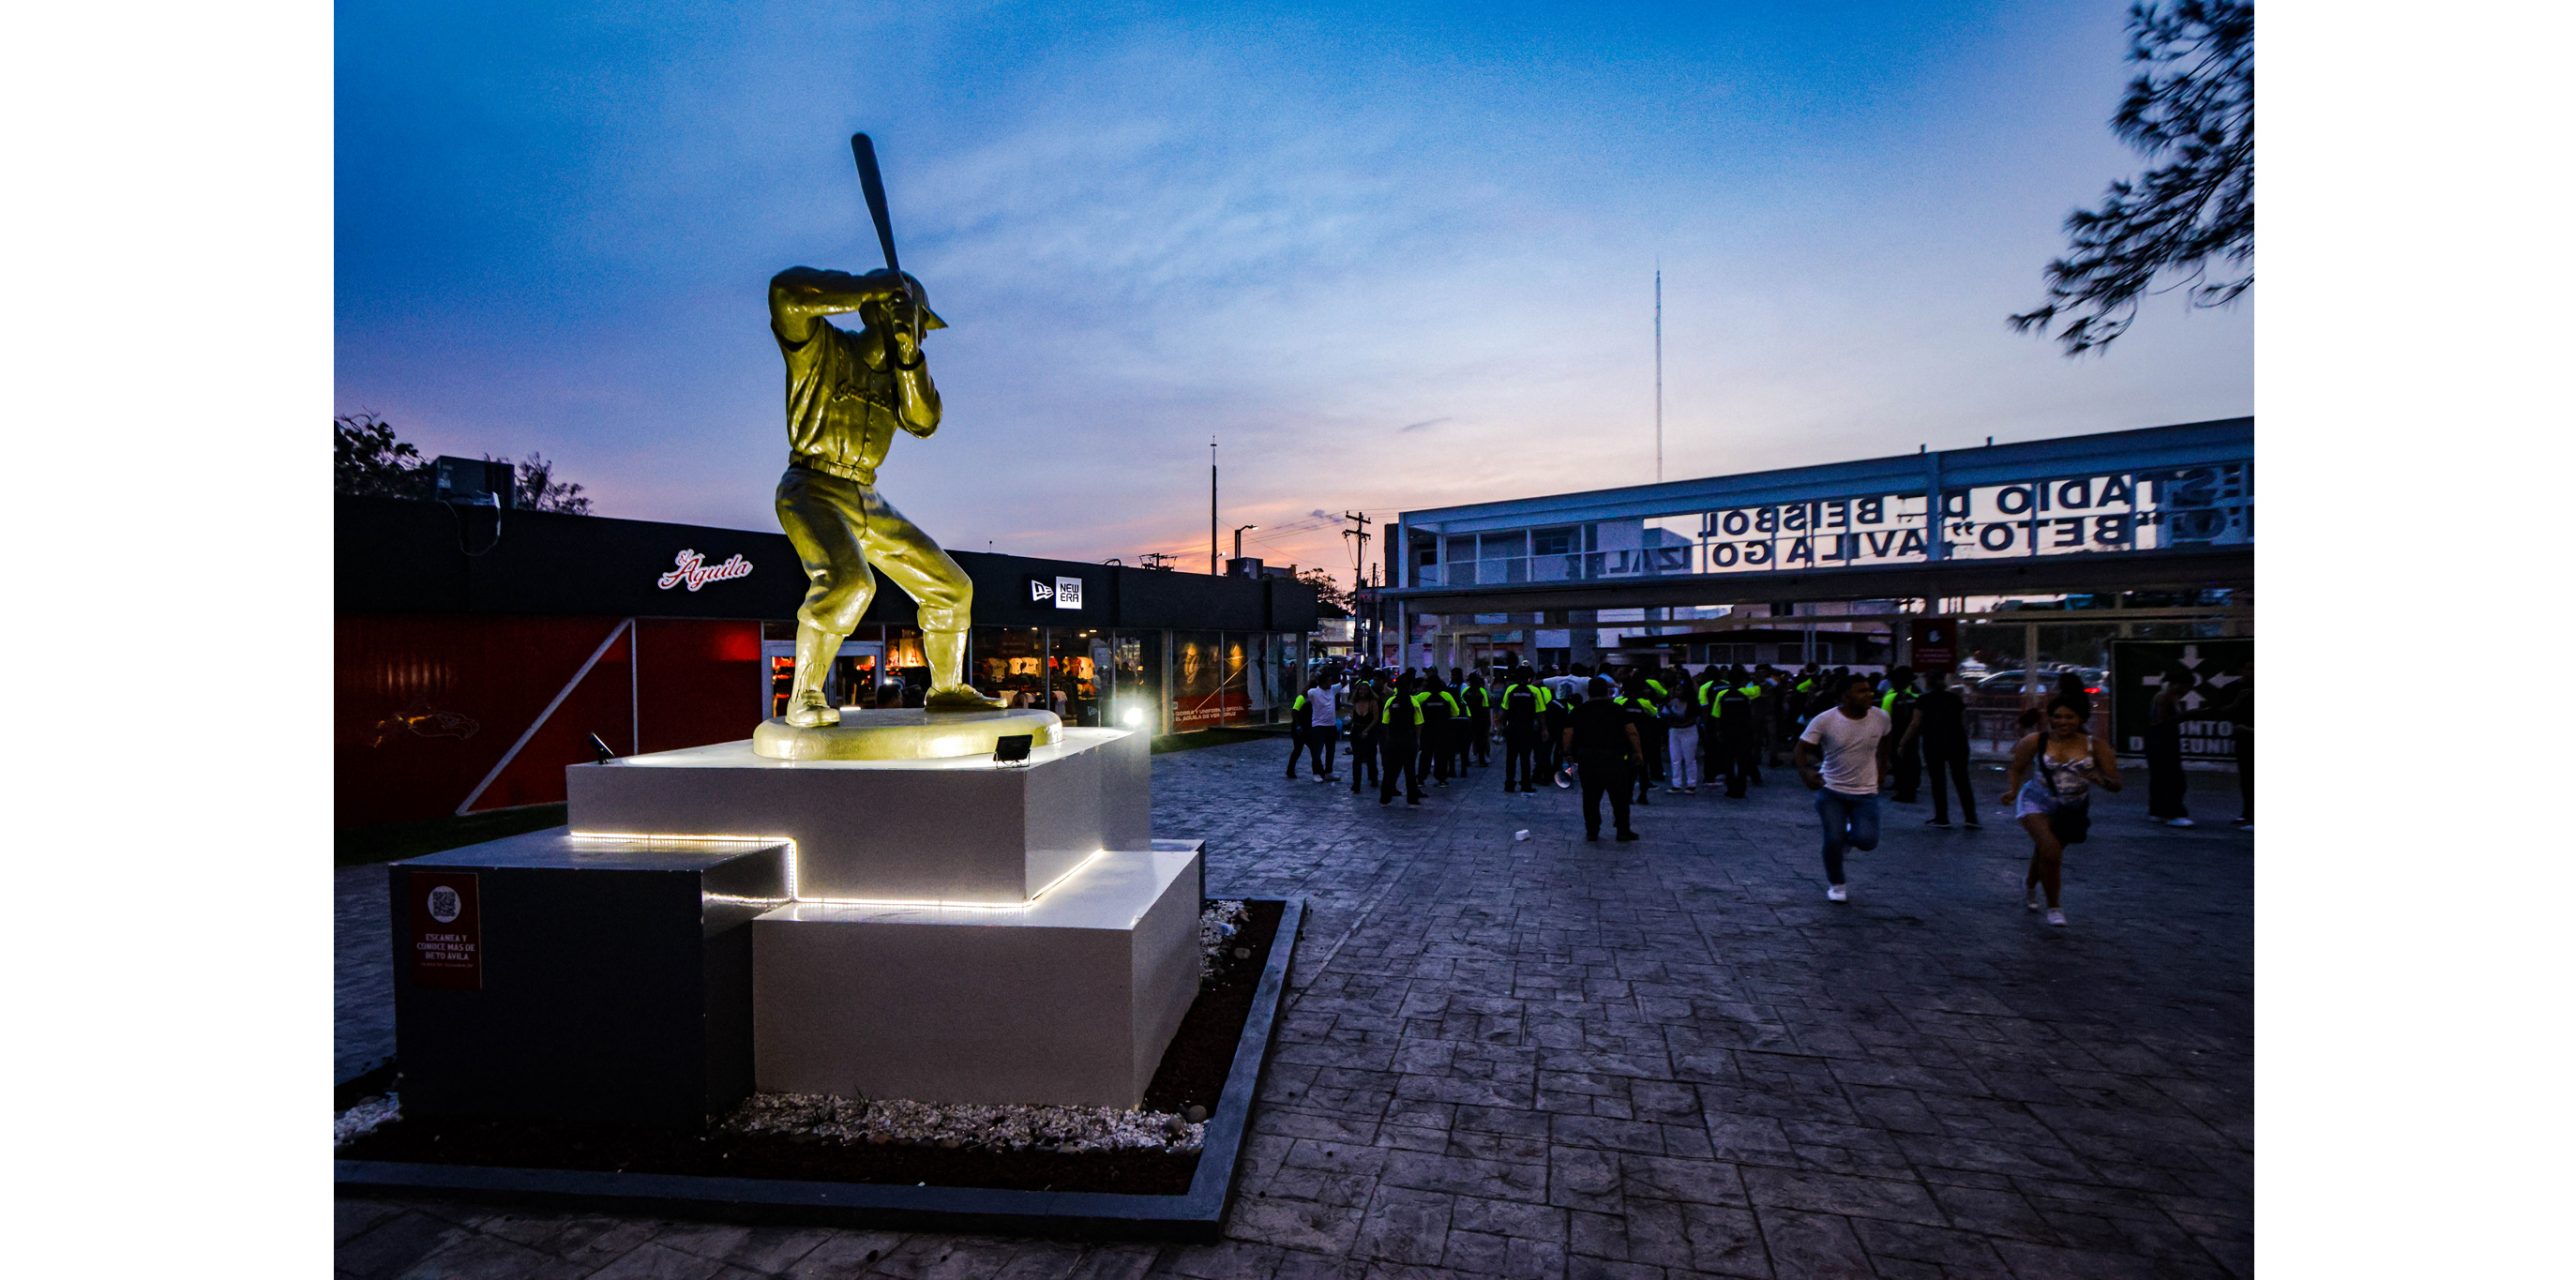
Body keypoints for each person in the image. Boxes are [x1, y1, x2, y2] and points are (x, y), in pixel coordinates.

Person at [765, 264, 1003, 723]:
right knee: (850, 583)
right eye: (916, 321)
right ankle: (805, 695)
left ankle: (948, 688)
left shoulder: (899, 376)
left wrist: (910, 356)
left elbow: (924, 421)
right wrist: (868, 290)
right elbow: (785, 294)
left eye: (920, 326)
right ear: (879, 311)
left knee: (953, 588)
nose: (920, 333)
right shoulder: (823, 347)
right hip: (811, 484)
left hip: (865, 495)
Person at [2000, 691, 2123, 926]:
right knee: (2051, 852)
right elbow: (2017, 768)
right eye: (2057, 716)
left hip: (2071, 808)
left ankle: (2028, 884)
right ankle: (2055, 907)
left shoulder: (2096, 746)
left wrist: (2100, 780)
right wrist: (2012, 791)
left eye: (2069, 717)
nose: (2062, 722)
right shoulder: (2036, 741)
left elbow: (2116, 784)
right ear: (2049, 718)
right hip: (2035, 801)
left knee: (2045, 851)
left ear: (2081, 719)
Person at [1794, 675, 1890, 902]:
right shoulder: (1825, 720)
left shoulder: (1881, 717)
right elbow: (1801, 748)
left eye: (1869, 690)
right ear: (1845, 696)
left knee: (1867, 840)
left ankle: (1849, 838)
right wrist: (1806, 772)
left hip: (1865, 792)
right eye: (1861, 691)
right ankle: (1837, 884)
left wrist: (1883, 769)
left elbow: (1886, 741)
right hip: (1831, 791)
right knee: (1832, 839)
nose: (1869, 695)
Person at [1563, 675, 1643, 841]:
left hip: (1588, 758)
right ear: (1607, 691)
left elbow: (1567, 733)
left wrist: (1567, 753)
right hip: (1614, 758)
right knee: (1619, 796)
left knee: (1590, 797)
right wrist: (1637, 752)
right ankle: (1622, 830)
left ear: (1588, 691)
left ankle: (1592, 830)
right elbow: (1632, 732)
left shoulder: (1579, 710)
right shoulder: (1617, 710)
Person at [1898, 671, 1980, 828]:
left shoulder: (1923, 700)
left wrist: (1902, 742)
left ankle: (1942, 817)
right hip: (1957, 742)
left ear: (1928, 683)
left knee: (1938, 780)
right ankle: (1971, 817)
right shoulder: (1955, 698)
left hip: (1934, 742)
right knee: (1962, 780)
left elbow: (1915, 723)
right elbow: (1964, 721)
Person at [2146, 670, 2196, 827]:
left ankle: (2157, 811)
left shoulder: (2168, 696)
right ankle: (2172, 813)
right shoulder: (2165, 697)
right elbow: (2160, 722)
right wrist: (2185, 717)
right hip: (2163, 741)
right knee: (2174, 778)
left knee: (2160, 778)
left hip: (2160, 740)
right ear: (2177, 684)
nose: (2187, 691)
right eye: (2187, 687)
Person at [1378, 674, 1427, 806]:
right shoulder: (1413, 702)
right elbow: (1419, 723)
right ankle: (1412, 799)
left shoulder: (1390, 701)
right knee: (1409, 771)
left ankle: (1385, 798)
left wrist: (1388, 740)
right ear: (1410, 686)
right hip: (1409, 740)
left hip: (1393, 740)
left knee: (1390, 771)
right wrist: (1417, 740)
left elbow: (1385, 722)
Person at [1499, 667, 1550, 792]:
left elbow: (1504, 709)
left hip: (1512, 728)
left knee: (1511, 758)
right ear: (1530, 678)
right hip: (1527, 729)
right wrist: (1544, 729)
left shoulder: (1510, 689)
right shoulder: (1534, 690)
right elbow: (1540, 712)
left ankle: (1509, 784)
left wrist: (1500, 725)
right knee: (1525, 757)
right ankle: (1525, 784)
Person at [1660, 675, 1701, 794]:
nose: (1677, 691)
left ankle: (1691, 784)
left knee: (1689, 758)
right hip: (1675, 730)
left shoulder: (1692, 703)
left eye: (1679, 689)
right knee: (1675, 758)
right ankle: (1676, 784)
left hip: (1687, 730)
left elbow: (1693, 718)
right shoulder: (1672, 701)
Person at [1347, 677, 1381, 795]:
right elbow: (1352, 716)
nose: (1362, 692)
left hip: (1370, 730)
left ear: (1369, 691)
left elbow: (1376, 718)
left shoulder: (1373, 702)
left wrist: (1367, 730)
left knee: (1371, 756)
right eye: (1360, 690)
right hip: (1356, 730)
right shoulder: (1355, 702)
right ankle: (1356, 784)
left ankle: (1373, 778)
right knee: (1357, 758)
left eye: (1365, 690)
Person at [1464, 671, 1495, 767]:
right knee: (1482, 740)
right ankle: (1482, 759)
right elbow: (1486, 706)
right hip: (1481, 719)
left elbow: (1462, 705)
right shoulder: (1482, 691)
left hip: (1470, 719)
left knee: (1469, 740)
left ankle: (1467, 759)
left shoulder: (1466, 691)